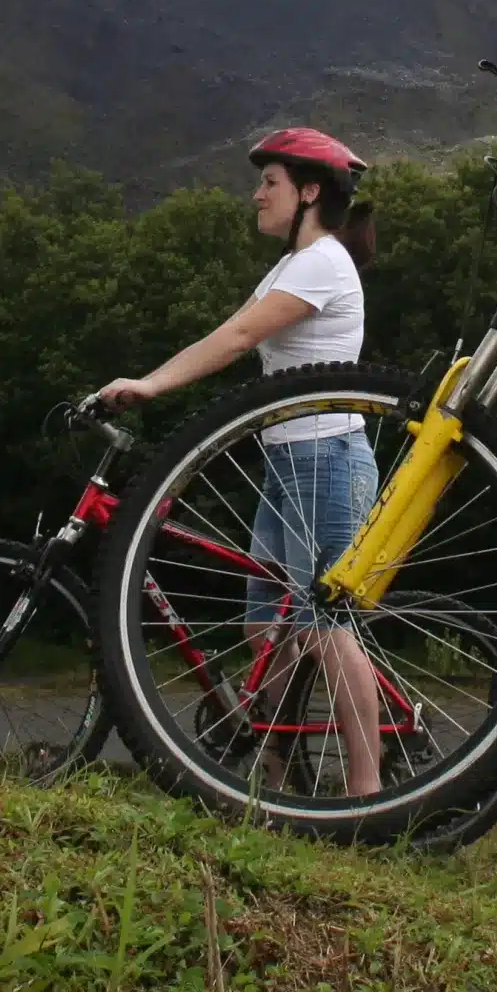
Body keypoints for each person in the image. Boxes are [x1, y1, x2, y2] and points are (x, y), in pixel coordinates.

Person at [96, 128, 386, 797]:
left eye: (271, 183)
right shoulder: (291, 265)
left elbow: (235, 338)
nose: (257, 194)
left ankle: (367, 797)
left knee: (322, 626)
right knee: (265, 623)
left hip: (326, 459)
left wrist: (151, 383)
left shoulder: (322, 261)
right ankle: (280, 784)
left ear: (310, 191)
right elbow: (234, 329)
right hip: (289, 460)